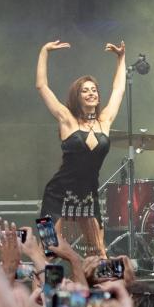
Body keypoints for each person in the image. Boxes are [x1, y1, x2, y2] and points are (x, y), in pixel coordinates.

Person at [36, 39, 127, 256]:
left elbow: (119, 89)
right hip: (57, 193)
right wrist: (44, 51)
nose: (91, 93)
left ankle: (101, 290)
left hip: (88, 195)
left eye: (94, 90)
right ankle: (43, 289)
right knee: (47, 251)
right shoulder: (67, 119)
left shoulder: (105, 120)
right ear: (78, 96)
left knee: (100, 253)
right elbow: (41, 87)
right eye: (85, 90)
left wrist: (121, 58)